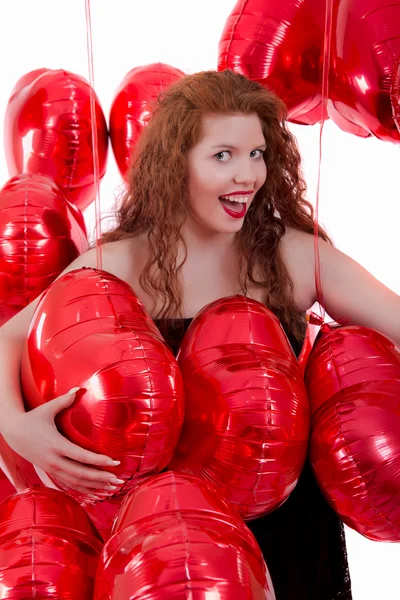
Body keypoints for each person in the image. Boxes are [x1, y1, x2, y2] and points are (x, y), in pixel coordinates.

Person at [0, 69, 399, 598]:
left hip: (286, 530)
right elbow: (6, 338)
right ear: (175, 164)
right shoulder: (119, 263)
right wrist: (17, 428)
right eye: (223, 155)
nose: (247, 176)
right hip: (164, 552)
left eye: (257, 153)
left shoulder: (294, 256)